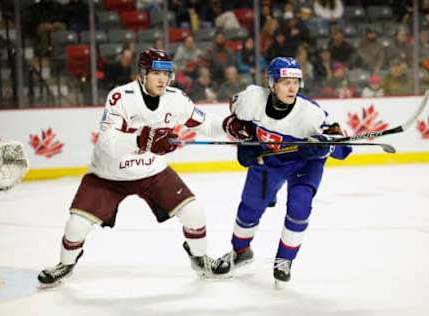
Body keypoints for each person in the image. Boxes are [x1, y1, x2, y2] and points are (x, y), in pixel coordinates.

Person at [38, 48, 224, 288]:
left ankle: (200, 259)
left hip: (152, 172)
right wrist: (142, 140)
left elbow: (206, 124)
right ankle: (65, 264)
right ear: (142, 73)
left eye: (166, 74)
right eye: (156, 73)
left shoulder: (176, 98)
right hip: (108, 175)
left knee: (194, 213)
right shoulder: (121, 97)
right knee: (76, 225)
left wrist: (233, 126)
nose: (162, 80)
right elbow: (106, 142)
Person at [211, 57, 352, 286]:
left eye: (295, 82)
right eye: (285, 82)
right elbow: (233, 114)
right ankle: (240, 252)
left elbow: (343, 148)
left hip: (304, 163)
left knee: (299, 207)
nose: (292, 88)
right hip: (269, 159)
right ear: (272, 83)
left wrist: (326, 145)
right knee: (249, 207)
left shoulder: (310, 114)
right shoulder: (252, 99)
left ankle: (284, 260)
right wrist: (241, 134)